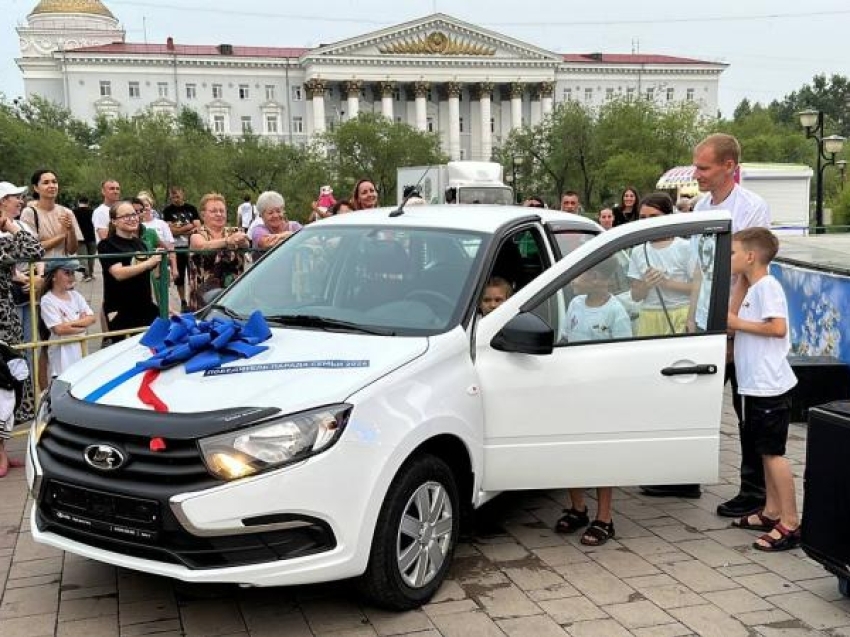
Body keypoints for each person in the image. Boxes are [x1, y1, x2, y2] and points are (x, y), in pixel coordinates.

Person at [642, 133, 772, 509]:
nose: (696, 174)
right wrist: (692, 315)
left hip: (737, 321)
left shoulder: (751, 208)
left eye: (704, 167)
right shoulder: (699, 208)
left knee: (744, 406)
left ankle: (754, 492)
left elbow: (749, 271)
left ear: (729, 166)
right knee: (691, 397)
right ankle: (683, 477)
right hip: (703, 317)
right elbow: (700, 268)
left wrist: (729, 321)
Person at [727, 228, 799, 551]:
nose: (730, 258)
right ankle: (771, 511)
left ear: (751, 256)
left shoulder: (768, 287)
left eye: (733, 253)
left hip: (770, 387)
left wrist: (738, 324)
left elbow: (777, 327)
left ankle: (791, 521)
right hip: (754, 385)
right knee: (762, 450)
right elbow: (734, 315)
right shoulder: (753, 286)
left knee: (773, 454)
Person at [555, 257, 632, 545]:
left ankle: (605, 518)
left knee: (600, 456)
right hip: (573, 390)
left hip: (601, 394)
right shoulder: (575, 305)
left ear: (602, 280)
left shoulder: (616, 312)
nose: (575, 280)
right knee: (571, 451)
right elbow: (564, 339)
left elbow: (625, 355)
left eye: (582, 276)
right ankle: (578, 508)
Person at [0, 181, 45, 433]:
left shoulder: (10, 233)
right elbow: (34, 249)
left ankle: (5, 438)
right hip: (4, 310)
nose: (20, 201)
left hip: (7, 309)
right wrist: (10, 227)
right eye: (14, 197)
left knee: (12, 368)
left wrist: (10, 226)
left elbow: (35, 252)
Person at [627, 193, 699, 337]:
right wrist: (646, 284)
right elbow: (635, 296)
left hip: (681, 313)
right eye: (643, 217)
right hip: (649, 316)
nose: (648, 222)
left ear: (668, 216)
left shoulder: (685, 247)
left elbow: (698, 287)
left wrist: (666, 283)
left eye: (654, 217)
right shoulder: (637, 251)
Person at [97, 201, 161, 336]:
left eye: (134, 214)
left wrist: (158, 262)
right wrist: (149, 263)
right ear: (114, 221)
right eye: (125, 216)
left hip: (145, 308)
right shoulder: (107, 245)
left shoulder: (140, 244)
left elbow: (151, 275)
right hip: (121, 312)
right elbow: (118, 273)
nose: (132, 218)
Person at [188, 193, 249, 310]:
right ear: (203, 215)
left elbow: (245, 243)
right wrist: (228, 241)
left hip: (233, 295)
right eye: (213, 211)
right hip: (204, 296)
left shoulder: (235, 231)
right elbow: (201, 246)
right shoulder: (196, 233)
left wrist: (241, 241)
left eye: (222, 211)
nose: (219, 214)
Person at [39, 259, 95, 379]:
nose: (71, 277)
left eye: (72, 273)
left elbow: (91, 318)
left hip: (80, 351)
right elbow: (59, 329)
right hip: (62, 356)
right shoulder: (47, 300)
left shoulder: (76, 296)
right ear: (54, 276)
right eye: (67, 273)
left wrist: (69, 324)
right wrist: (81, 326)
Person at [20, 169, 82, 259]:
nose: (52, 186)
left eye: (54, 182)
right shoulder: (29, 213)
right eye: (46, 183)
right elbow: (32, 248)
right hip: (41, 270)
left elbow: (72, 251)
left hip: (65, 268)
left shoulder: (67, 212)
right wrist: (61, 236)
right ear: (36, 188)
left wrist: (71, 230)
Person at [161, 187, 200, 312]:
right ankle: (183, 301)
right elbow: (169, 231)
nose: (175, 199)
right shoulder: (167, 211)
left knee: (194, 275)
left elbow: (197, 227)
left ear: (183, 195)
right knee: (179, 276)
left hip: (191, 246)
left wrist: (180, 229)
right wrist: (187, 227)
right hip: (177, 247)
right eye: (173, 197)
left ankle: (195, 299)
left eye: (177, 196)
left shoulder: (191, 209)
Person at [138, 192, 177, 286]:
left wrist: (174, 268)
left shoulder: (161, 224)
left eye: (147, 205)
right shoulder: (136, 226)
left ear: (151, 206)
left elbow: (171, 247)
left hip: (162, 265)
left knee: (162, 295)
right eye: (142, 206)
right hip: (142, 266)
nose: (145, 208)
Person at [249, 191, 302, 260]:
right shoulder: (258, 230)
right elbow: (267, 243)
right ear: (261, 215)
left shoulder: (295, 226)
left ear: (283, 211)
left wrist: (284, 236)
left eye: (278, 211)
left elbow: (311, 239)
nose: (275, 215)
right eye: (270, 213)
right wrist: (290, 235)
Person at [72, 196, 97, 281]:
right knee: (91, 257)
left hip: (79, 237)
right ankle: (91, 273)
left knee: (83, 257)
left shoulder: (74, 212)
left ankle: (86, 275)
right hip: (92, 237)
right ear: (88, 202)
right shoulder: (93, 212)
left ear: (79, 202)